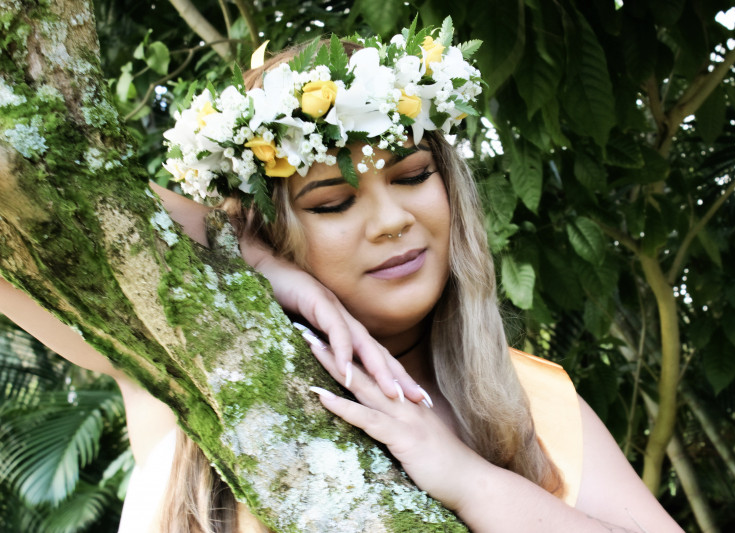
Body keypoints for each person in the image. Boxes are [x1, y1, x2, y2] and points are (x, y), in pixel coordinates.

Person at [0, 20, 684, 533]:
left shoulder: (533, 399)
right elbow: (26, 183)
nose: (391, 220)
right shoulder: (195, 350)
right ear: (269, 222)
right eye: (332, 201)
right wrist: (251, 261)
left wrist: (471, 481)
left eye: (413, 175)